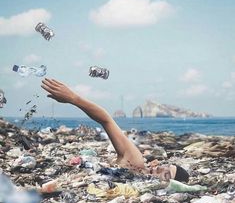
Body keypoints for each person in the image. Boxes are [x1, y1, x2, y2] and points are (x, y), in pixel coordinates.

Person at [41, 78, 189, 182]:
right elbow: (106, 120)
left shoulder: (139, 179)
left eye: (167, 174)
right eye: (165, 167)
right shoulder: (135, 162)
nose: (160, 170)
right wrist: (74, 99)